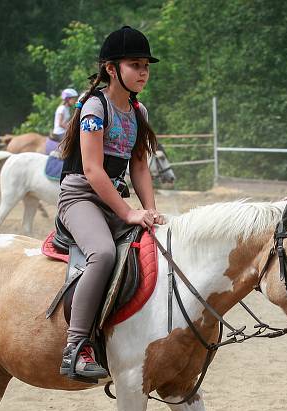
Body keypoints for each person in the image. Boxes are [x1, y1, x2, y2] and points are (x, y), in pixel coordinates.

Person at [57, 26, 164, 382]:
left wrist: (149, 209)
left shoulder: (139, 111)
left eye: (146, 65)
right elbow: (92, 169)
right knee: (102, 253)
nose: (144, 72)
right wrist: (129, 211)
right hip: (80, 196)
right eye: (135, 64)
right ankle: (76, 348)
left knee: (159, 242)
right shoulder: (93, 106)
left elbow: (139, 166)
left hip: (111, 198)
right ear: (110, 69)